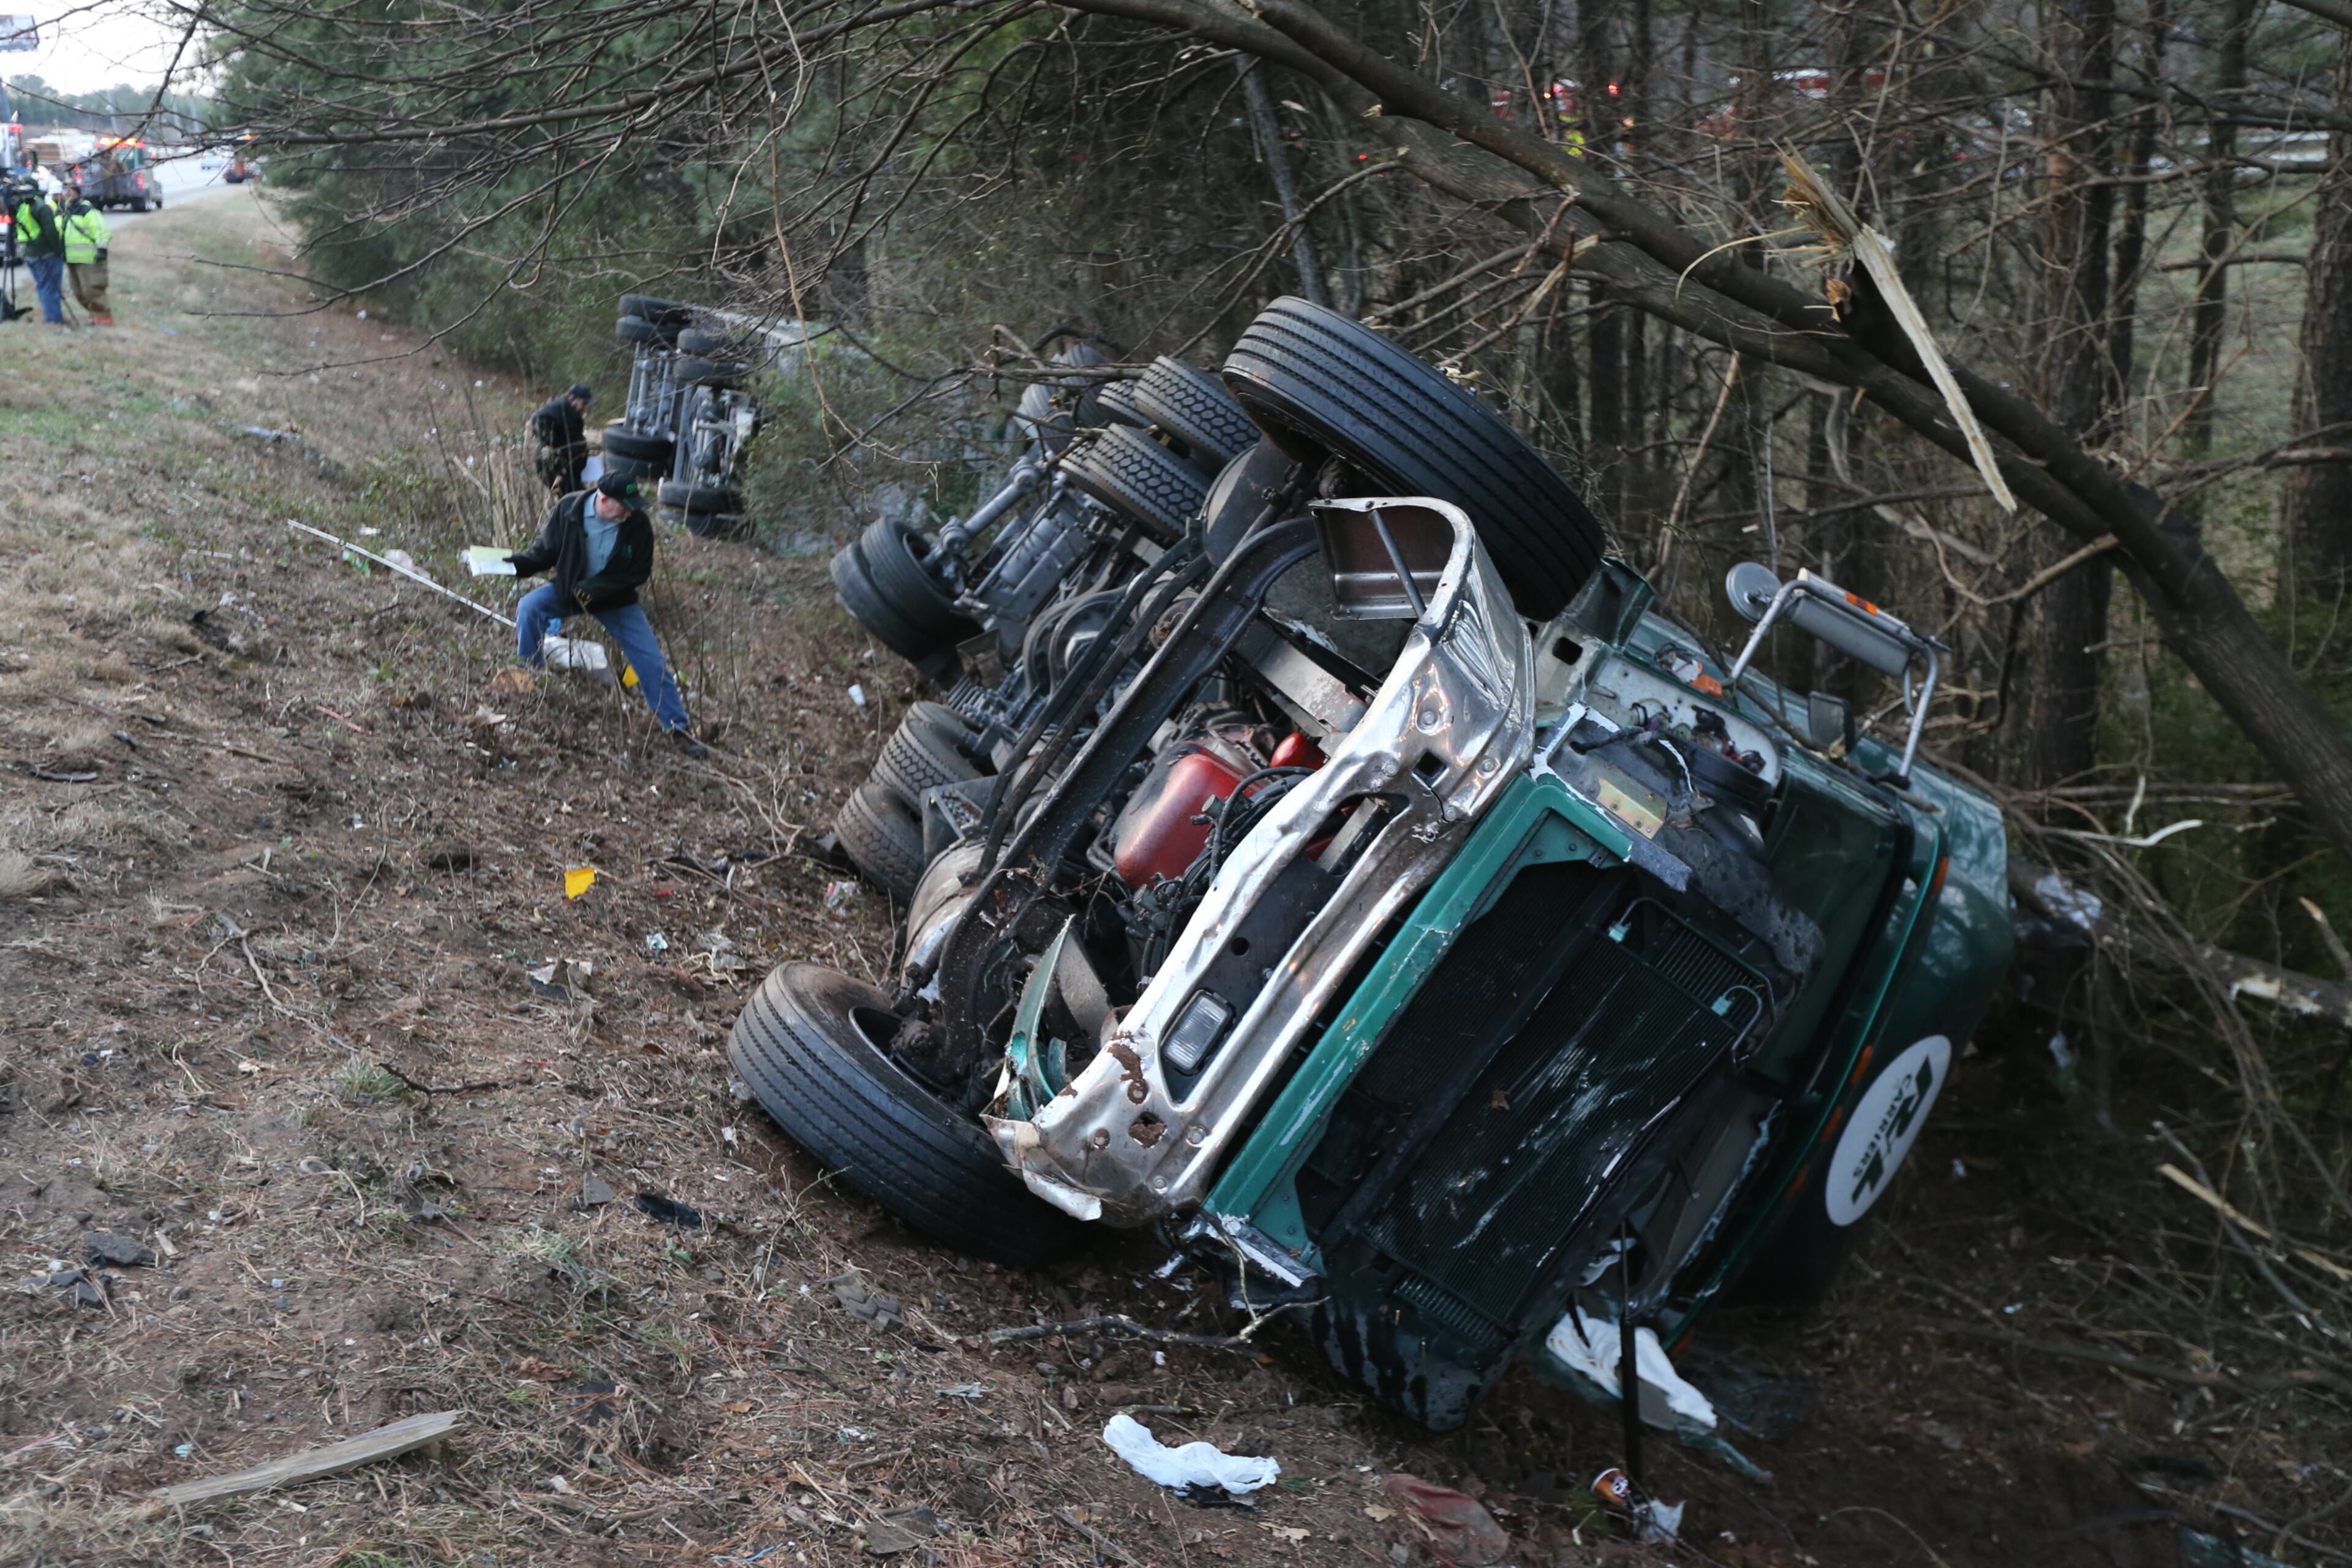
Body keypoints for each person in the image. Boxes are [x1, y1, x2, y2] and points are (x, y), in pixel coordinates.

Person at [507, 472, 708, 756]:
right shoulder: (569, 509)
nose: (629, 512)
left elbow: (638, 573)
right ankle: (530, 680)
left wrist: (597, 590)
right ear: (603, 500)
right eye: (624, 505)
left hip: (616, 601)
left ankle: (677, 727)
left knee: (651, 662)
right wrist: (515, 564)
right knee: (529, 608)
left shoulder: (637, 524)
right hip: (570, 592)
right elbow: (544, 553)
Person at [10, 176, 67, 326]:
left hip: (30, 254)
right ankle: (54, 320)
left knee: (42, 286)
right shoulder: (41, 207)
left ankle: (51, 316)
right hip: (47, 254)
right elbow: (51, 233)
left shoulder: (20, 207)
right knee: (51, 288)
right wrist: (59, 251)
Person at [57, 184, 110, 326]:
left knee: (93, 290)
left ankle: (103, 319)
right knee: (78, 292)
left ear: (78, 193)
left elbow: (101, 230)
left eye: (70, 191)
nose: (66, 194)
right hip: (71, 259)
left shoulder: (87, 210)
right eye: (64, 191)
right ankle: (95, 317)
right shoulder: (63, 211)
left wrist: (102, 250)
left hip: (89, 259)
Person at [529, 383, 594, 494]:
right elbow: (538, 419)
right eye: (584, 403)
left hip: (572, 468)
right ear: (573, 399)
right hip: (559, 470)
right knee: (579, 497)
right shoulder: (558, 408)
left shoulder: (573, 412)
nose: (585, 407)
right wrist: (549, 442)